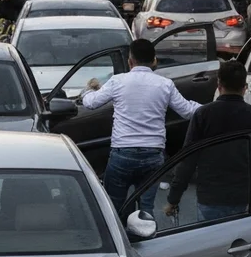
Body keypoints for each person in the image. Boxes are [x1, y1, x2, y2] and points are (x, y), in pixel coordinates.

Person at [165, 61, 251, 221]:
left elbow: (187, 161)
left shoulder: (202, 115)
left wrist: (173, 199)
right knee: (239, 242)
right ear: (244, 87)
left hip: (210, 196)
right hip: (243, 197)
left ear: (219, 85)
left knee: (210, 242)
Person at [81, 39, 202, 217]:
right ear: (154, 61)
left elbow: (91, 104)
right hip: (153, 155)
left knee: (114, 207)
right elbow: (187, 111)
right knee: (147, 208)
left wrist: (87, 91)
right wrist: (213, 106)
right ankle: (146, 238)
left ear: (130, 61)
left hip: (122, 154)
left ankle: (120, 240)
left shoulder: (117, 81)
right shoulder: (165, 84)